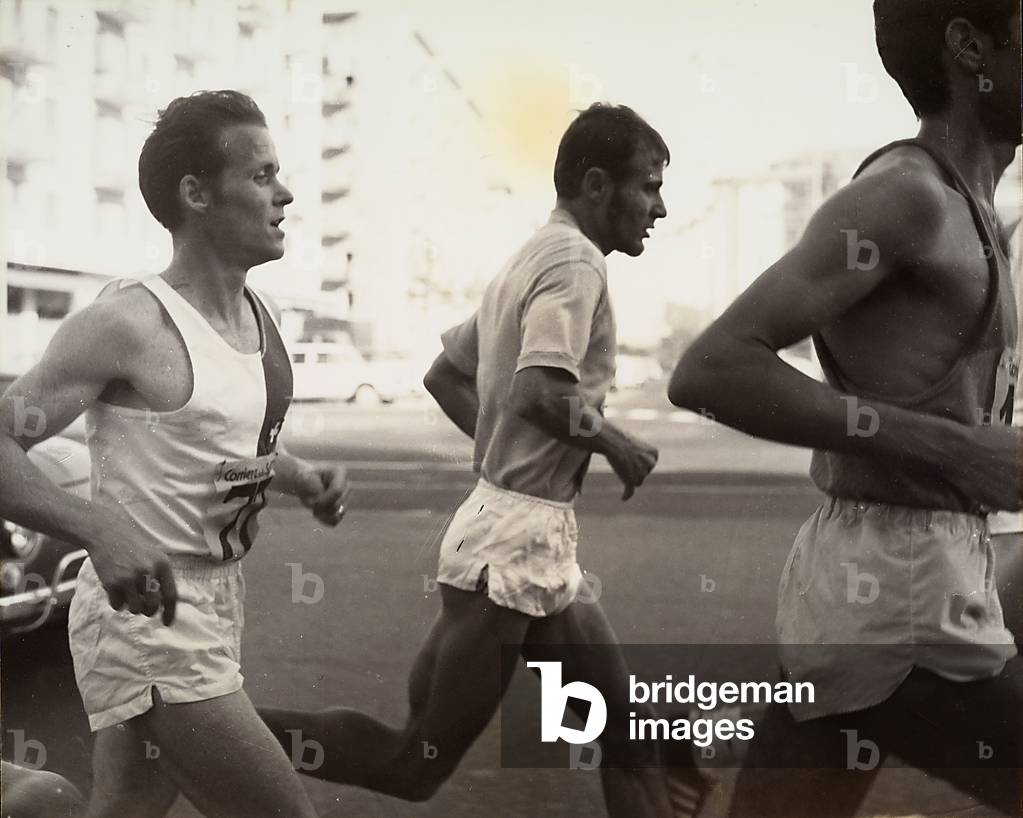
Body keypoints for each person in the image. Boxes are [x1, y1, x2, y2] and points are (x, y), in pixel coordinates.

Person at [259, 103, 709, 817]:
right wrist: (614, 442)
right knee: (415, 764)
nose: (659, 207)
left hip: (523, 533)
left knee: (628, 732)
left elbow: (446, 373)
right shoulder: (574, 261)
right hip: (512, 546)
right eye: (648, 186)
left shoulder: (532, 255)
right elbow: (535, 389)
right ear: (596, 185)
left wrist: (502, 456)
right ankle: (213, 733)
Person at [668, 1, 1022, 815]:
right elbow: (712, 368)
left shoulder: (976, 210)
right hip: (896, 597)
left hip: (904, 573)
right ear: (970, 48)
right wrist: (957, 454)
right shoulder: (906, 198)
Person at [0, 90, 349, 818]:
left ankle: (27, 802)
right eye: (261, 176)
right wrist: (96, 527)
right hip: (146, 618)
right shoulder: (126, 324)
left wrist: (300, 478)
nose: (285, 194)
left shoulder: (262, 317)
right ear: (196, 193)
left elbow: (219, 447)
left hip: (217, 602)